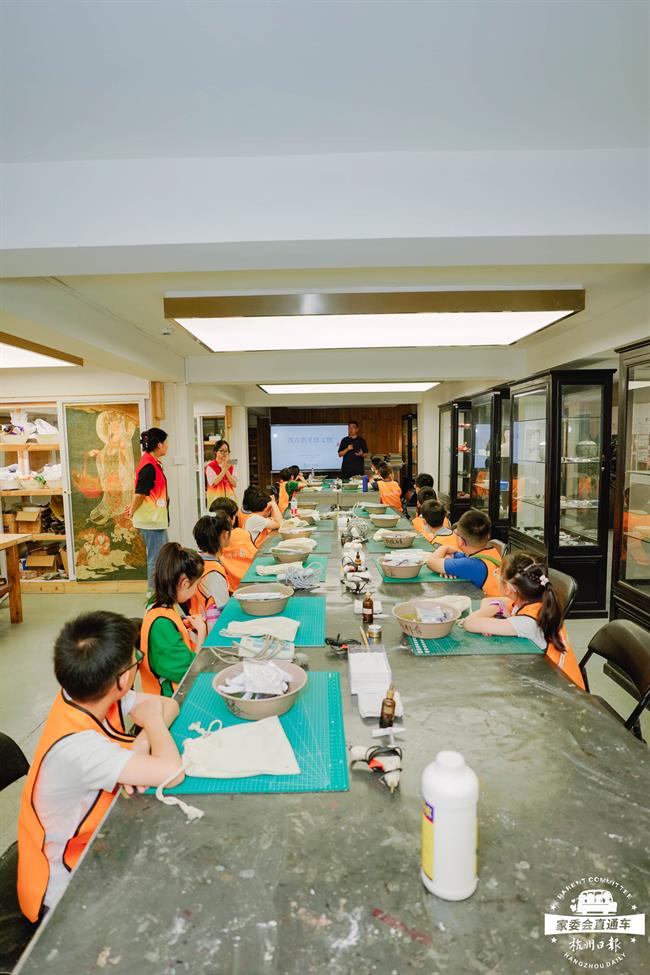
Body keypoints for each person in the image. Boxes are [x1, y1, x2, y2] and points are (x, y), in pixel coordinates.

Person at [17, 612, 183, 921]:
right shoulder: (80, 750)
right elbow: (172, 771)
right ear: (121, 679)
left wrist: (140, 744)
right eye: (135, 661)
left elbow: (169, 704)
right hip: (63, 888)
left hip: (91, 842)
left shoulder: (84, 692)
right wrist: (152, 723)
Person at [462, 552, 585, 689]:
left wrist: (492, 614)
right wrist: (492, 615)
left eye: (497, 574)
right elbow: (487, 601)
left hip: (562, 689)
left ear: (509, 588)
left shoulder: (528, 623)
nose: (496, 575)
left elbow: (469, 622)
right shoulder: (532, 602)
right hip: (547, 677)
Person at [140, 544, 207, 697]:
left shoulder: (157, 602)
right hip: (174, 698)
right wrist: (202, 632)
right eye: (196, 585)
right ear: (185, 583)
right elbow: (191, 673)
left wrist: (181, 626)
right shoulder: (162, 626)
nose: (196, 590)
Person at [426, 509, 501, 594]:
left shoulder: (471, 564)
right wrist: (447, 557)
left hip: (489, 601)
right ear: (488, 536)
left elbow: (430, 563)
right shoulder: (492, 552)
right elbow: (457, 555)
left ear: (461, 541)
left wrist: (444, 548)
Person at [129, 428, 169, 590]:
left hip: (156, 519)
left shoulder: (153, 463)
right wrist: (132, 511)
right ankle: (153, 593)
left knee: (161, 557)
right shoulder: (148, 466)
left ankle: (159, 590)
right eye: (165, 443)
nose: (167, 446)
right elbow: (139, 494)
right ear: (159, 445)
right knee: (155, 558)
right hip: (151, 521)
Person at [210, 497, 258, 592]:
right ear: (232, 518)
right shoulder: (243, 534)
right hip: (252, 583)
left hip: (230, 590)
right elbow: (256, 557)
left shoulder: (210, 541)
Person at [191, 513, 232, 625]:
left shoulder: (197, 560)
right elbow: (224, 612)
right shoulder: (214, 573)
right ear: (224, 535)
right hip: (210, 628)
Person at [205, 439, 237, 505]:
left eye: (226, 451)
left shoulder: (231, 466)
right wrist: (225, 468)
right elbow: (214, 482)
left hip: (230, 500)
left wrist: (226, 468)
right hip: (215, 502)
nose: (224, 453)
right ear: (215, 452)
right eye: (221, 451)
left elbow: (234, 484)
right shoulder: (210, 466)